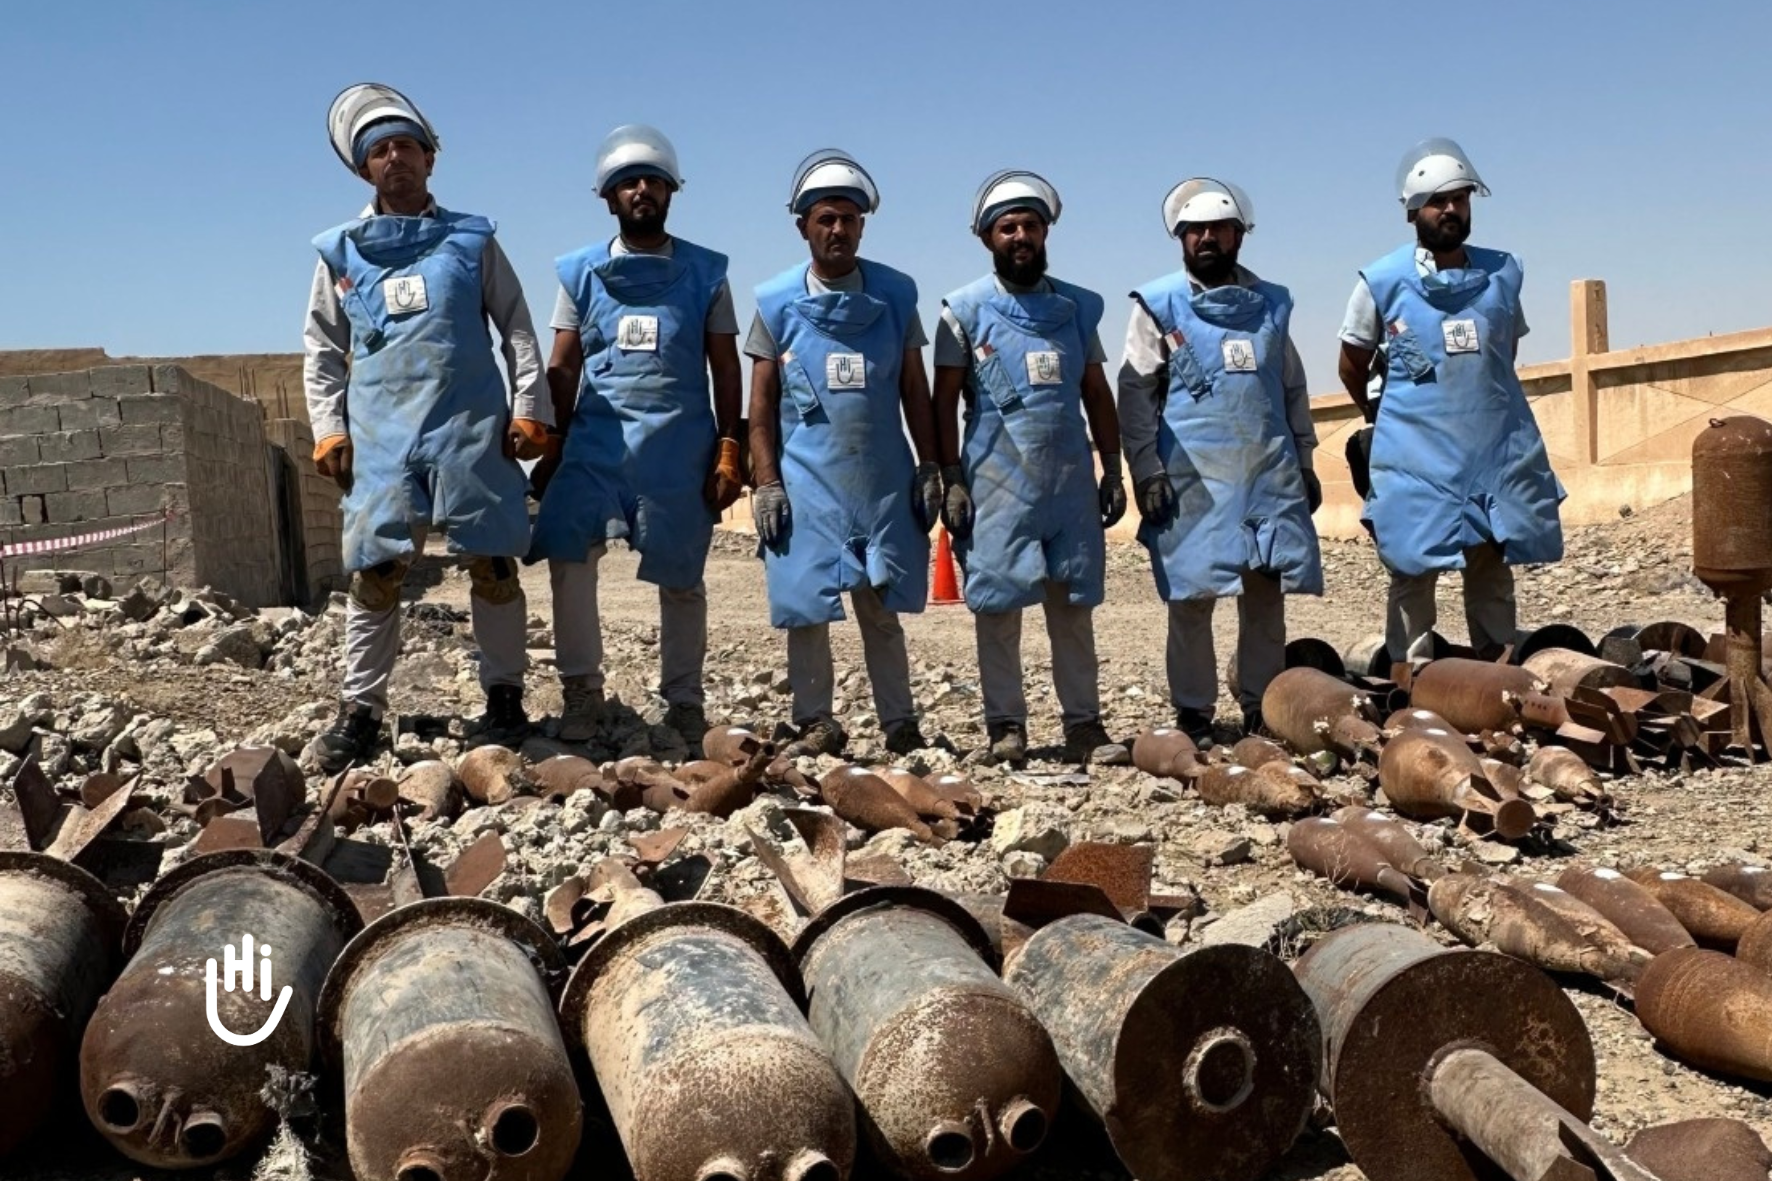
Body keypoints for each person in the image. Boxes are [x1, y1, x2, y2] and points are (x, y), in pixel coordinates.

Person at [302, 83, 551, 774]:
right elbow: (322, 348)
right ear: (363, 170)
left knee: (493, 561)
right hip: (381, 434)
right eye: (379, 151)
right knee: (377, 570)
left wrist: (529, 405)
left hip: (469, 423)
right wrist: (329, 427)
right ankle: (359, 711)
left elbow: (518, 327)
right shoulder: (341, 253)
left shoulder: (471, 241)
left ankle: (504, 697)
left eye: (405, 146)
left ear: (431, 158)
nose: (394, 159)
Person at [529, 125, 744, 750]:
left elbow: (725, 365)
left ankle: (684, 702)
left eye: (653, 180)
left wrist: (729, 445)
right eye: (628, 183)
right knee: (570, 558)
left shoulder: (706, 273)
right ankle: (582, 693)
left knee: (682, 576)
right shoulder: (579, 273)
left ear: (672, 190)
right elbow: (563, 364)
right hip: (595, 445)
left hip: (679, 448)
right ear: (607, 196)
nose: (642, 190)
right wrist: (552, 441)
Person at [1336, 138, 1563, 665]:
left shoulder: (1502, 274)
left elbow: (1501, 354)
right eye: (1439, 201)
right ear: (1414, 210)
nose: (1451, 210)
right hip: (1417, 459)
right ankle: (1411, 680)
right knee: (1414, 572)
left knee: (1490, 567)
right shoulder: (1382, 281)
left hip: (1490, 455)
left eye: (1460, 199)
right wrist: (1385, 420)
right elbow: (1351, 362)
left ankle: (1496, 678)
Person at [746, 149, 942, 758]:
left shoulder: (896, 296)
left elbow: (916, 388)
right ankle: (814, 722)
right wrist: (766, 482)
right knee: (807, 609)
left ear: (863, 225)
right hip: (806, 483)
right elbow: (761, 404)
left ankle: (900, 723)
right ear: (802, 224)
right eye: (826, 218)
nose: (838, 229)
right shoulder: (775, 303)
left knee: (881, 608)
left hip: (881, 477)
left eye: (849, 219)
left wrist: (932, 464)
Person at [932, 170, 1128, 766]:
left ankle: (1084, 727)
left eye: (1030, 226)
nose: (1020, 236)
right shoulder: (961, 312)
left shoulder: (1075, 309)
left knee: (1072, 609)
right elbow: (943, 403)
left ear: (1046, 232)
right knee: (997, 608)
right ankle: (1006, 728)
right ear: (987, 238)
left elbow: (1097, 391)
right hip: (996, 484)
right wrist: (949, 477)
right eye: (1007, 227)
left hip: (1068, 483)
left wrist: (1113, 467)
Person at [1118, 179, 1321, 747]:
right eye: (1195, 230)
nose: (1207, 238)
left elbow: (1291, 386)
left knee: (1264, 593)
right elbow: (1136, 396)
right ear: (1180, 237)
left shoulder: (1272, 303)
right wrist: (1146, 470)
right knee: (1191, 597)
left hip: (1267, 473)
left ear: (1239, 235)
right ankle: (1193, 713)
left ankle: (1263, 707)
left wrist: (1304, 459)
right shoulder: (1156, 305)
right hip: (1192, 479)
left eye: (1219, 229)